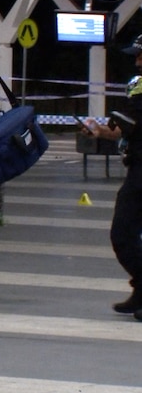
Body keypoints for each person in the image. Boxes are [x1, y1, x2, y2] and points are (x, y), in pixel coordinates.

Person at [84, 33, 142, 319]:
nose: (137, 61)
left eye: (141, 55)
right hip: (137, 170)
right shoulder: (138, 88)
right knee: (123, 234)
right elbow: (126, 128)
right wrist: (102, 131)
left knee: (124, 231)